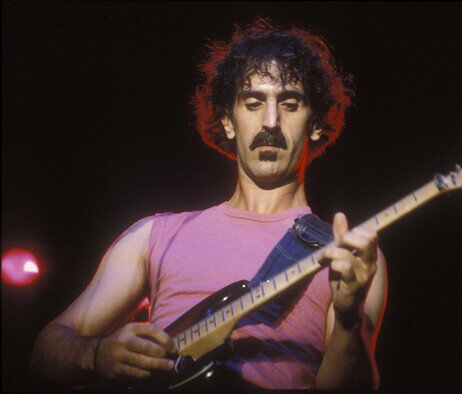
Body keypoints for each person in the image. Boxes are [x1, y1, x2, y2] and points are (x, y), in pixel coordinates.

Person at [30, 18, 388, 390]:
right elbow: (46, 349)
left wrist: (348, 320)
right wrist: (97, 355)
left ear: (315, 124)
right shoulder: (156, 235)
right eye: (253, 102)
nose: (270, 121)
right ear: (227, 120)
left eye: (290, 103)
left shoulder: (352, 256)